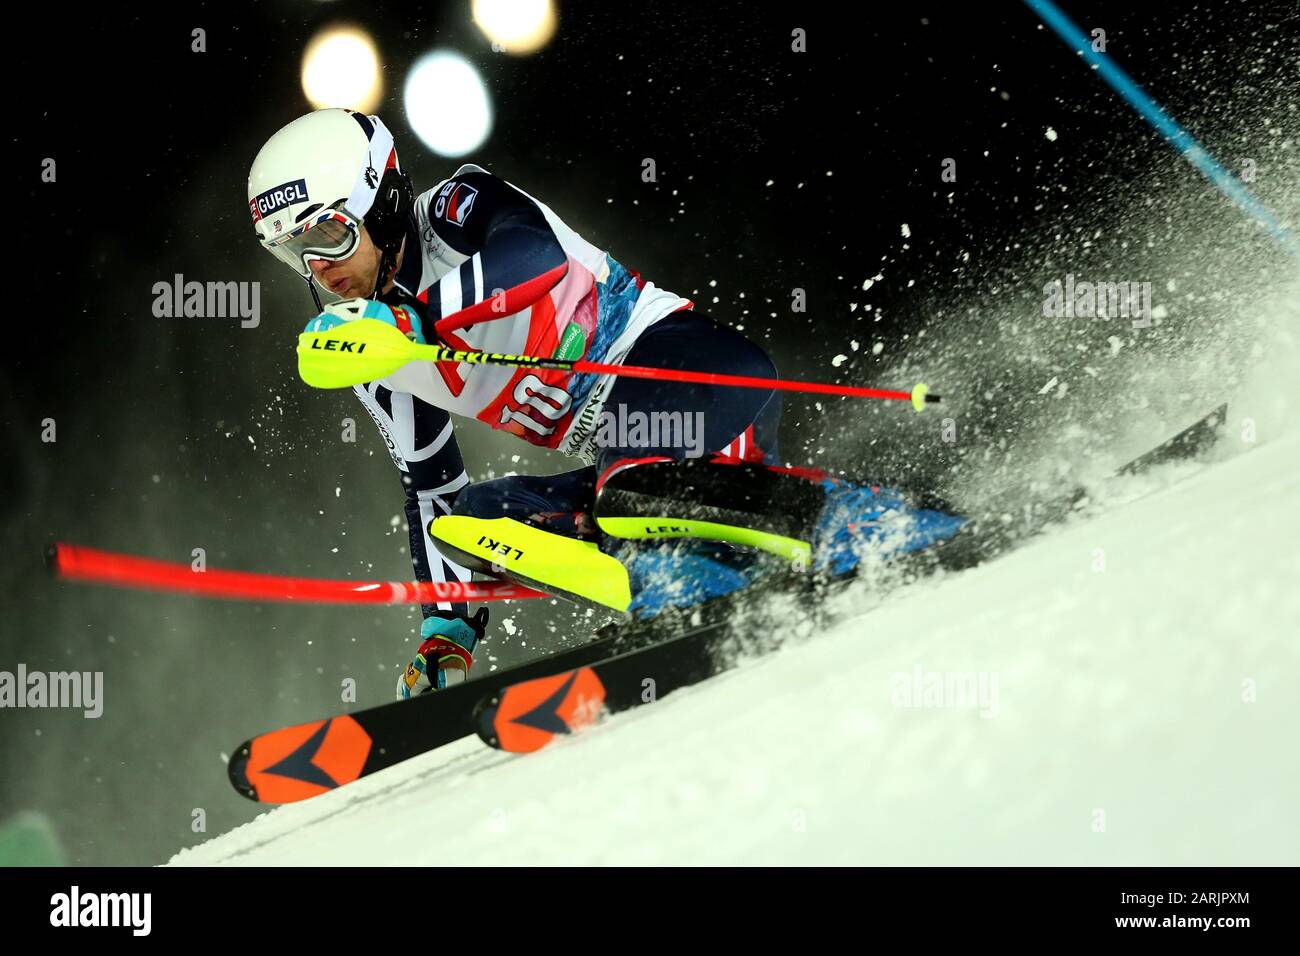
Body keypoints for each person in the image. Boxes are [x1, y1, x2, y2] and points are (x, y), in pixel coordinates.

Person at [247, 108, 963, 697]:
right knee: (469, 524)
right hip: (629, 458)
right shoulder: (371, 355)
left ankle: (844, 519)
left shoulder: (457, 208)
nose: (320, 268)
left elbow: (533, 256)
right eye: (292, 253)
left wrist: (413, 325)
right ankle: (681, 567)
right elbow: (430, 483)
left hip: (697, 371)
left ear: (385, 199)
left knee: (632, 485)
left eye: (329, 234)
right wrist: (447, 630)